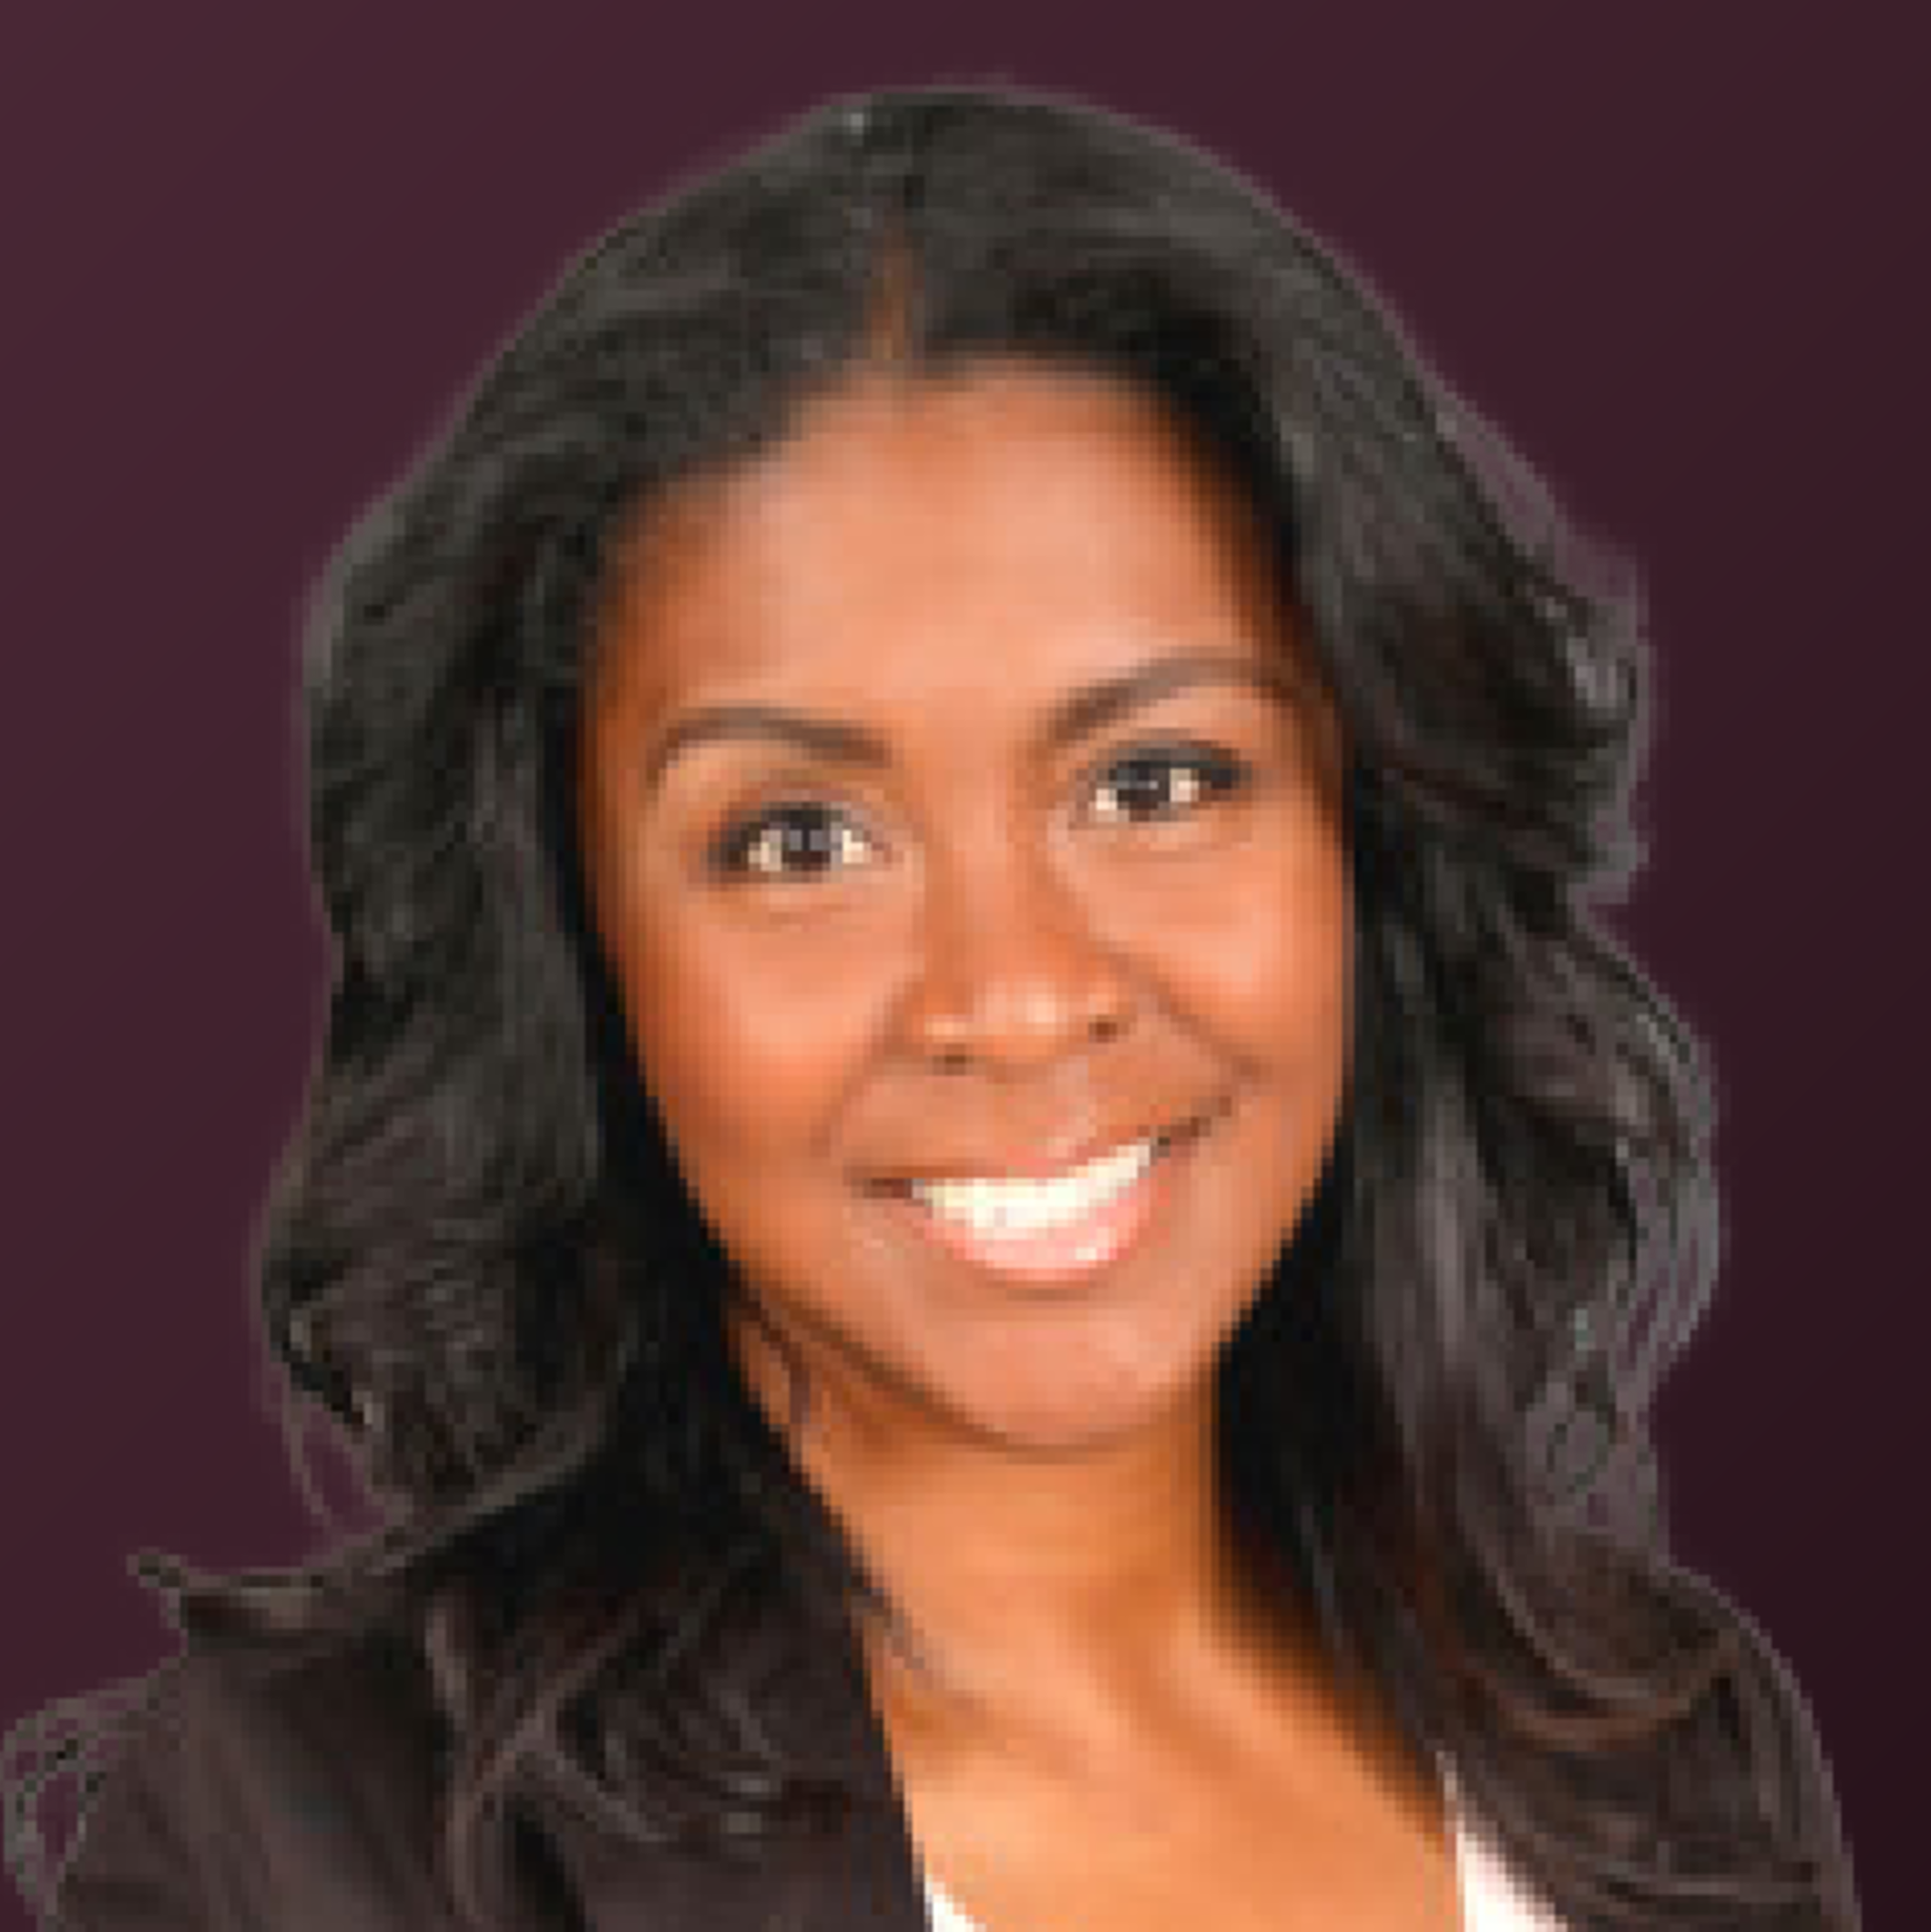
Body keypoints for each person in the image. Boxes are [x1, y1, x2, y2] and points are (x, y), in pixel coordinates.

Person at [3, 80, 1858, 1932]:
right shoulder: (314, 1842)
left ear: (1376, 834)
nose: (1018, 996)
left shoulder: (1668, 1749)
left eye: (1153, 783)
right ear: (570, 944)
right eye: (800, 840)